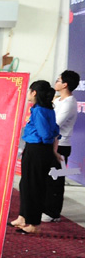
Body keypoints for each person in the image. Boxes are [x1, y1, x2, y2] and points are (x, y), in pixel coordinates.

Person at [9, 80, 59, 235]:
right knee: (26, 184)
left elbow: (45, 134)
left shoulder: (40, 111)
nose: (28, 94)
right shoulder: (44, 109)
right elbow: (55, 129)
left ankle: (34, 223)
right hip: (35, 149)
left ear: (34, 93)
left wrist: (46, 138)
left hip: (37, 150)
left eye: (30, 91)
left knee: (34, 187)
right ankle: (24, 217)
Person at [43, 70, 80, 222]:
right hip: (50, 144)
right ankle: (46, 208)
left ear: (65, 84)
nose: (56, 82)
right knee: (47, 179)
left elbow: (55, 124)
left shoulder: (70, 103)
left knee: (56, 180)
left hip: (61, 146)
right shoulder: (58, 100)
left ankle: (53, 213)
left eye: (58, 80)